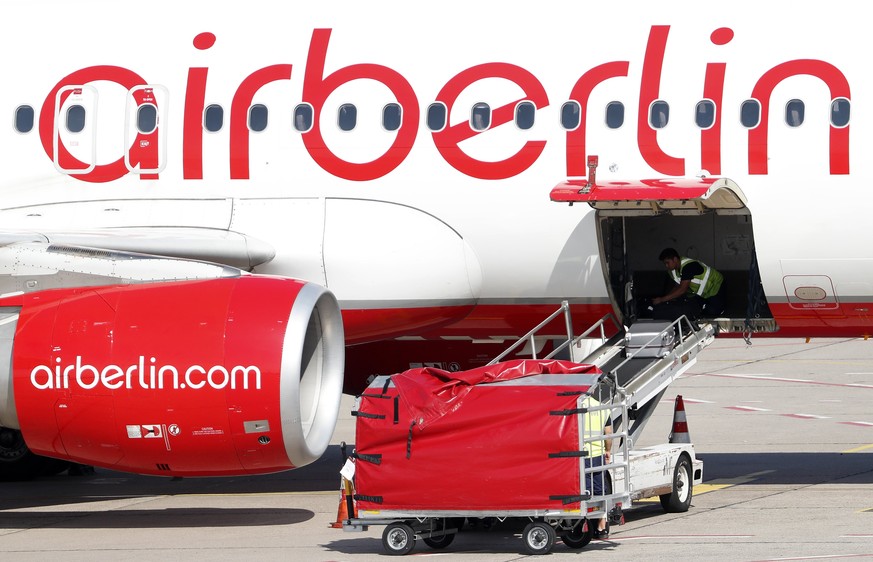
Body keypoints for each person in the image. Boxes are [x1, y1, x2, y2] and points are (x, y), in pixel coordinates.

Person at [651, 247, 725, 321]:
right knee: (695, 309)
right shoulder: (673, 271)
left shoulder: (688, 267)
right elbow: (677, 286)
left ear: (675, 259)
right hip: (702, 293)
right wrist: (667, 300)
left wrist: (662, 300)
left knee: (713, 312)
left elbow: (682, 289)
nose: (666, 266)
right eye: (665, 263)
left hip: (716, 285)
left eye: (667, 262)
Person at [583, 395, 613, 540]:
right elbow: (608, 434)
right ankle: (602, 527)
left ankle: (585, 524)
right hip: (597, 455)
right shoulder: (603, 407)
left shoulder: (575, 404)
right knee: (600, 490)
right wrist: (607, 451)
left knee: (584, 491)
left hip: (581, 454)